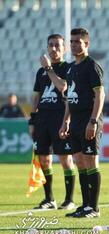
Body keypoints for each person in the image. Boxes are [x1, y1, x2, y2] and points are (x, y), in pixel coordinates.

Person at [59, 27, 105, 218]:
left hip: (89, 120)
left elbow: (99, 94)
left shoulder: (92, 66)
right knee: (79, 162)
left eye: (78, 41)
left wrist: (93, 121)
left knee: (91, 161)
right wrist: (65, 121)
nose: (74, 44)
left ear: (87, 44)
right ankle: (85, 205)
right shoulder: (70, 68)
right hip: (75, 122)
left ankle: (93, 208)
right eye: (72, 41)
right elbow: (70, 97)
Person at [29, 34, 76, 210]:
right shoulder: (40, 72)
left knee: (65, 159)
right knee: (44, 159)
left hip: (60, 116)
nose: (54, 49)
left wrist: (49, 68)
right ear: (47, 48)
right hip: (43, 119)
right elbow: (36, 97)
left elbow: (63, 87)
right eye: (51, 45)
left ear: (64, 49)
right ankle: (49, 199)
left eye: (57, 45)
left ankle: (69, 199)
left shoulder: (69, 68)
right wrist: (32, 121)